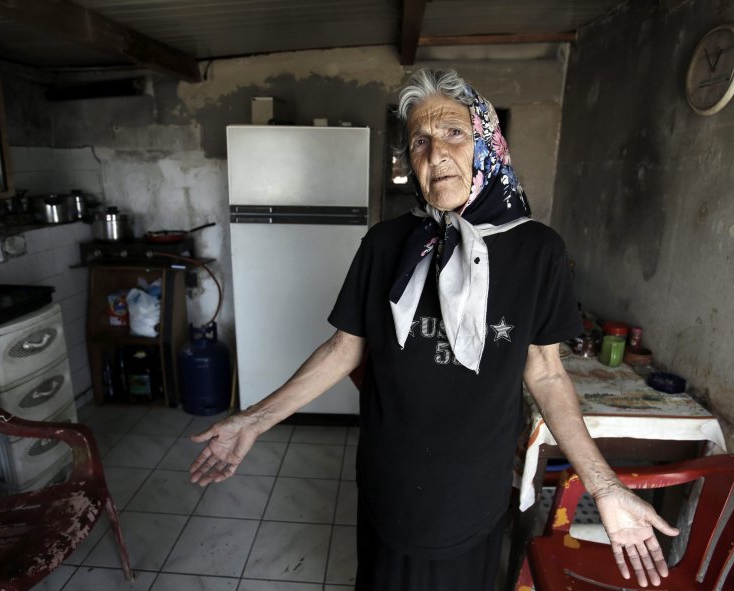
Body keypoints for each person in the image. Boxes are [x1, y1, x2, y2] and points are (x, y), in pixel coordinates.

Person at [189, 68, 678, 590]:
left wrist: (604, 488)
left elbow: (548, 375)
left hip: (473, 493)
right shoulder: (385, 244)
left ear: (487, 144)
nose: (436, 153)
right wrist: (254, 421)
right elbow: (342, 349)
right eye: (419, 141)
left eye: (453, 133)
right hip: (389, 482)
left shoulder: (540, 252)